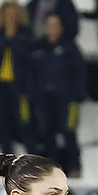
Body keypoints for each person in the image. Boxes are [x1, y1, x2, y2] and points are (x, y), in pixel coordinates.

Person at [31, 13, 85, 175]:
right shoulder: (38, 47)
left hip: (67, 99)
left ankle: (75, 166)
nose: (52, 28)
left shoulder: (70, 47)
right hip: (44, 98)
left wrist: (77, 94)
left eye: (55, 25)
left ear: (61, 28)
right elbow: (30, 74)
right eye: (49, 24)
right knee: (47, 132)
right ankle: (51, 169)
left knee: (68, 131)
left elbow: (80, 72)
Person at [0, 1, 35, 153]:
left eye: (13, 15)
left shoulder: (26, 35)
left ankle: (32, 158)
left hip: (20, 87)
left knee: (24, 122)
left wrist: (13, 39)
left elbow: (26, 56)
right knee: (2, 123)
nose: (10, 18)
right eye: (7, 15)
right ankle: (7, 159)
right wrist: (6, 38)